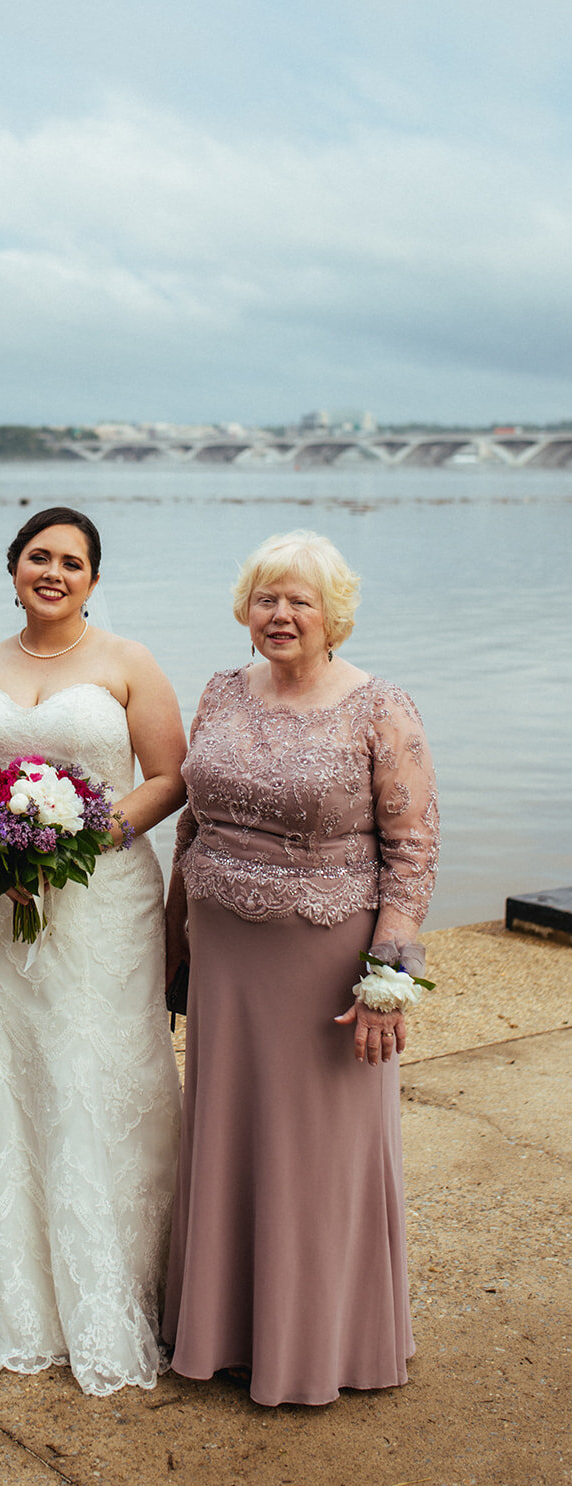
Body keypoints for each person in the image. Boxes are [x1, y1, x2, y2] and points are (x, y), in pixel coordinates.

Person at [162, 529, 439, 1407]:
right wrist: (172, 948)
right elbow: (190, 828)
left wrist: (388, 981)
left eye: (299, 601)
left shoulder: (378, 706)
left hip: (323, 962)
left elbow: (414, 848)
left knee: (317, 1151)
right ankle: (225, 1330)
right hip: (226, 961)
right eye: (265, 599)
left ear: (333, 618)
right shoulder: (217, 691)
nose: (279, 615)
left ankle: (321, 1343)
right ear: (245, 610)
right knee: (229, 1134)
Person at [0, 507, 185, 1396]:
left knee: (95, 1068)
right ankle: (21, 1289)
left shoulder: (127, 663)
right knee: (9, 1069)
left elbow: (169, 776)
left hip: (102, 897)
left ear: (93, 579)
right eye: (39, 556)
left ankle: (117, 1280)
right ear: (11, 568)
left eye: (71, 562)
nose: (53, 572)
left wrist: (88, 833)